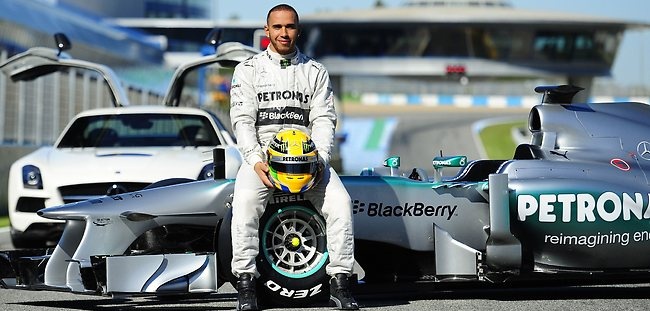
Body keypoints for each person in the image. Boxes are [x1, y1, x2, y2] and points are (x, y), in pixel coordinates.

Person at [229, 4, 358, 311]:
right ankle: (246, 283)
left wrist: (321, 160)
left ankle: (340, 283)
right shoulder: (247, 70)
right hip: (264, 161)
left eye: (289, 27)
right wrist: (254, 160)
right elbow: (242, 120)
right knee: (244, 203)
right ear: (267, 29)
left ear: (298, 30)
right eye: (277, 27)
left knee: (341, 203)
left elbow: (325, 119)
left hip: (309, 163)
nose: (283, 33)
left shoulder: (315, 72)